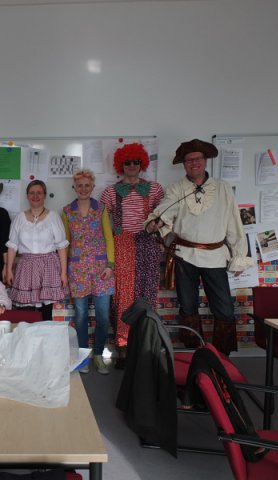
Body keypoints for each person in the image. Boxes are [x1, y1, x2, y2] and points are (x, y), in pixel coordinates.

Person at [146, 139, 255, 355]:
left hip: (215, 256)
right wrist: (155, 221)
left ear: (205, 161)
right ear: (183, 164)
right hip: (184, 256)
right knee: (188, 307)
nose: (193, 163)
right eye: (189, 160)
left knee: (223, 308)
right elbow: (166, 210)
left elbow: (234, 223)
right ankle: (194, 355)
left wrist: (239, 256)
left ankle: (222, 357)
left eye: (198, 159)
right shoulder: (176, 188)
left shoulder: (222, 188)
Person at [100, 143, 164, 367]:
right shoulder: (110, 192)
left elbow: (167, 216)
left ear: (142, 163)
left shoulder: (155, 189)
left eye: (136, 161)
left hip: (148, 245)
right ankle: (123, 347)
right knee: (124, 297)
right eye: (127, 162)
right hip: (122, 245)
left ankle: (146, 347)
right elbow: (101, 222)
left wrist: (158, 224)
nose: (131, 165)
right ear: (121, 164)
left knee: (147, 296)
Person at [62, 169, 115, 374]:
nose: (83, 189)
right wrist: (64, 270)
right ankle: (83, 356)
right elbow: (65, 242)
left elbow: (108, 237)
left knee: (102, 316)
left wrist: (110, 265)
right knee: (81, 315)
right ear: (74, 188)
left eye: (87, 185)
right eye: (79, 185)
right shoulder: (67, 211)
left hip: (101, 270)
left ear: (92, 187)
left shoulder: (101, 209)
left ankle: (99, 354)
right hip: (77, 270)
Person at [5, 180, 69, 320]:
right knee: (26, 310)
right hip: (26, 266)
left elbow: (61, 246)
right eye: (32, 193)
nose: (35, 196)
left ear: (45, 195)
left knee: (47, 311)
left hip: (49, 266)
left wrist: (63, 273)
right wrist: (9, 269)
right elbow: (12, 246)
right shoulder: (19, 218)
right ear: (27, 196)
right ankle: (29, 334)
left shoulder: (53, 217)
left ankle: (45, 333)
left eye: (39, 193)